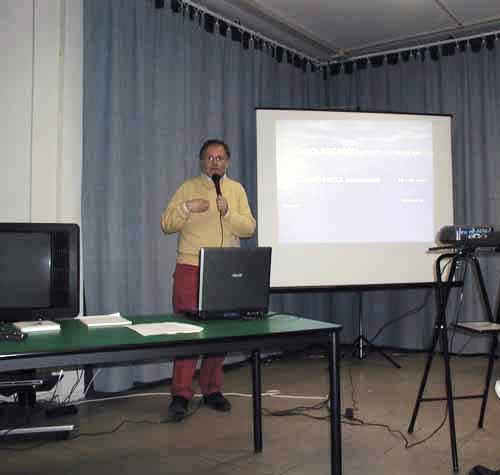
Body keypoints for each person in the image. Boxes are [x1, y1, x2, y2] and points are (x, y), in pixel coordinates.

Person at [161, 139, 256, 421]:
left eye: (220, 158)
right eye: (209, 157)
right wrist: (186, 208)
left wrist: (229, 212)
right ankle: (180, 394)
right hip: (192, 266)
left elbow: (249, 228)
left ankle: (212, 389)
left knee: (221, 333)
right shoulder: (188, 188)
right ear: (201, 161)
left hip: (226, 270)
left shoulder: (236, 190)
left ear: (228, 162)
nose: (215, 162)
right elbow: (167, 224)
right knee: (187, 333)